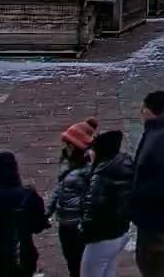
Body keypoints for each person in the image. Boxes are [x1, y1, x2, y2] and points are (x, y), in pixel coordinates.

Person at [131, 91, 164, 277]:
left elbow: (161, 178)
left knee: (152, 260)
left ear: (152, 110)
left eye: (143, 108)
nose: (141, 112)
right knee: (148, 258)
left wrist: (137, 199)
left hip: (155, 213)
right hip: (153, 212)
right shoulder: (158, 131)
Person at [48, 118, 98, 276]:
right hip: (66, 223)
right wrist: (48, 210)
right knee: (72, 263)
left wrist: (84, 223)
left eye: (68, 143)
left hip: (76, 226)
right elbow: (60, 187)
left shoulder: (87, 169)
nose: (65, 146)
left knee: (79, 266)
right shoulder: (68, 163)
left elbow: (91, 198)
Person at [80, 131, 133, 277]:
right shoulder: (123, 165)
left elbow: (93, 207)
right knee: (108, 271)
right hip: (119, 232)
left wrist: (83, 230)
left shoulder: (101, 175)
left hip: (101, 236)